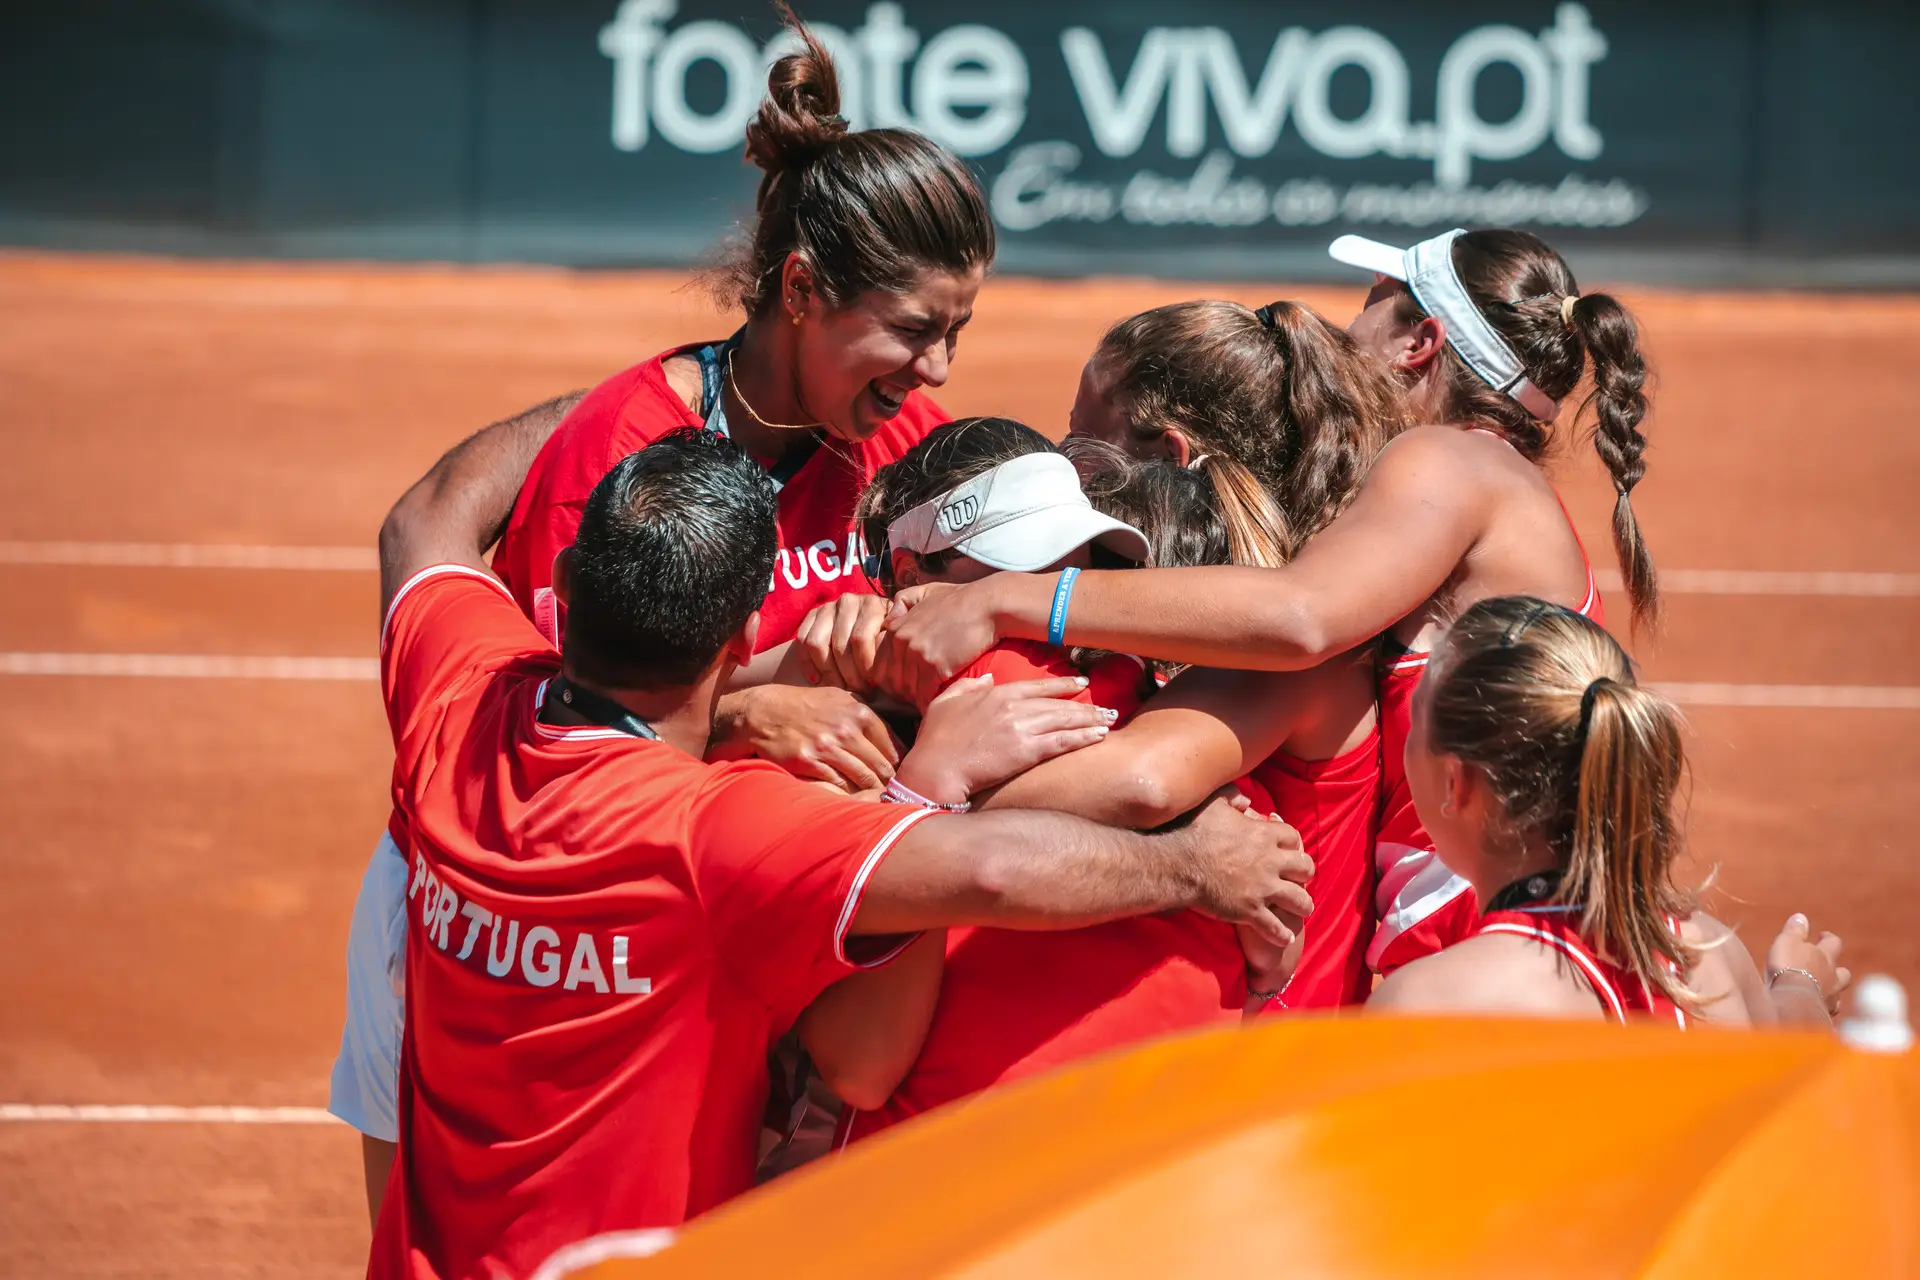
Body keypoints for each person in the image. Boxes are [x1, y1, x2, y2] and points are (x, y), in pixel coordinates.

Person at [371, 421, 1314, 1280]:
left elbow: (425, 521)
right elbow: (990, 872)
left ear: (567, 587)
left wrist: (652, 389)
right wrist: (1193, 867)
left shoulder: (458, 700)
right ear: (748, 633)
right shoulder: (721, 832)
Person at [329, 12, 995, 1213]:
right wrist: (765, 705)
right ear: (801, 289)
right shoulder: (622, 456)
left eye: (957, 330)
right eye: (912, 328)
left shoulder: (899, 445)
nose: (937, 368)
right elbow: (564, 728)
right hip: (508, 916)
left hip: (718, 905)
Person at [877, 227, 1659, 981]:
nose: (1347, 328)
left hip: (1480, 930)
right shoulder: (1488, 489)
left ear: (1419, 342)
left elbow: (1300, 617)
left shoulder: (1450, 460)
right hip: (1510, 917)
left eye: (1371, 302)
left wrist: (1009, 602)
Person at [1368, 596, 1849, 1027]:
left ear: (1456, 784)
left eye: (1416, 728)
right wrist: (1799, 985)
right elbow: (1782, 1063)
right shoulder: (1710, 957)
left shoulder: (1427, 1005)